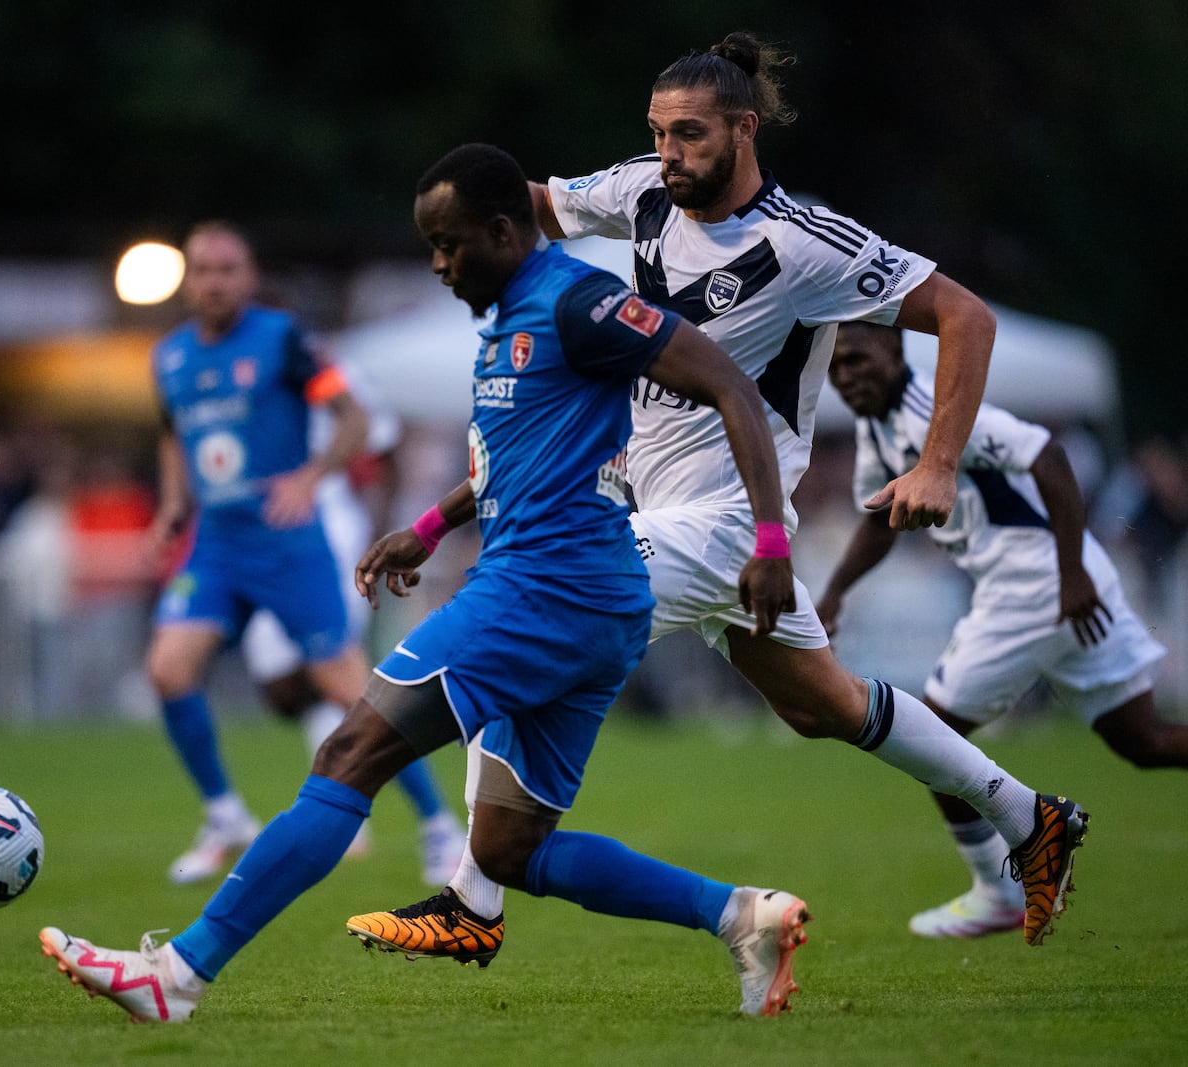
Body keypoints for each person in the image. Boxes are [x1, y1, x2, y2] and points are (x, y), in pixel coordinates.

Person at [349, 30, 1087, 960]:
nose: (669, 155)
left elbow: (964, 315)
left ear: (744, 130)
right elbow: (527, 205)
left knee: (523, 613)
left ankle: (472, 897)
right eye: (658, 135)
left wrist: (937, 463)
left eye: (689, 136)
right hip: (657, 510)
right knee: (823, 705)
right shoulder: (645, 192)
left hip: (733, 522)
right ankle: (1032, 818)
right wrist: (458, 211)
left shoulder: (807, 244)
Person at [39, 143, 813, 1021]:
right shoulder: (508, 317)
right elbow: (516, 460)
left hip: (541, 594)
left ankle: (176, 976)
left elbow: (733, 389)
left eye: (449, 245)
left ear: (501, 230)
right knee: (512, 850)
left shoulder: (580, 300)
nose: (439, 265)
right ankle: (741, 916)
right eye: (429, 246)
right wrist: (430, 527)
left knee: (346, 755)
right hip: (584, 601)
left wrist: (772, 541)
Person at [817, 321, 1185, 937]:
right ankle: (1001, 888)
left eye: (858, 359)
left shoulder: (935, 412)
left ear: (896, 353)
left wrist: (1069, 573)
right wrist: (834, 592)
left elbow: (1050, 457)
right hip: (1065, 584)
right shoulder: (877, 428)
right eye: (836, 368)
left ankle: (999, 891)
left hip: (1035, 584)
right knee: (1142, 740)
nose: (847, 375)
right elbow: (881, 522)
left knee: (928, 735)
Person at [137, 219, 388, 884]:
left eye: (227, 269)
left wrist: (311, 475)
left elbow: (355, 418)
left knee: (349, 692)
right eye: (202, 270)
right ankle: (224, 814)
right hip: (216, 547)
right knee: (167, 669)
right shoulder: (169, 357)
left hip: (288, 543)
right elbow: (171, 432)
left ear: (248, 277)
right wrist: (171, 502)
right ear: (187, 281)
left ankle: (439, 823)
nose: (214, 282)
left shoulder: (284, 340)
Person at [237, 368, 464, 886]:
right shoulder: (219, 376)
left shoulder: (318, 369)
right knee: (291, 689)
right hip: (265, 544)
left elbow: (378, 439)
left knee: (342, 686)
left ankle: (437, 826)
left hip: (325, 538)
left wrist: (381, 530)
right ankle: (351, 815)